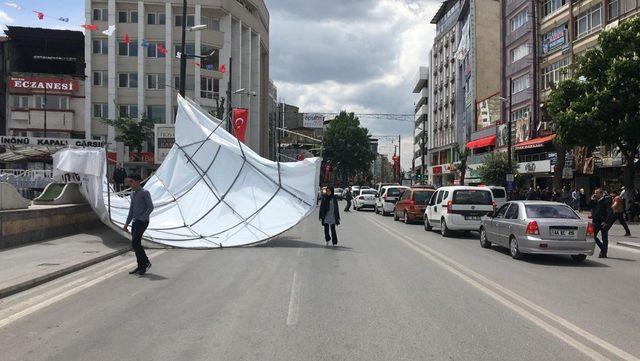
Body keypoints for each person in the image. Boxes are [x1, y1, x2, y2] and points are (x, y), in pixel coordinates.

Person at [123, 174, 154, 275]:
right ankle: (140, 266)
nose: (130, 184)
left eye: (131, 181)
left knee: (135, 243)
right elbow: (131, 210)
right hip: (135, 221)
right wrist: (126, 224)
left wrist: (143, 217)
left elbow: (151, 207)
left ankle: (145, 263)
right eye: (129, 182)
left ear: (137, 181)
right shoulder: (132, 194)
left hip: (143, 221)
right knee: (136, 244)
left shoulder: (145, 192)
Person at [591, 188, 613, 258]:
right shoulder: (595, 201)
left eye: (596, 193)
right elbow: (589, 206)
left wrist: (606, 222)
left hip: (603, 222)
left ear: (601, 194)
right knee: (592, 236)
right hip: (595, 222)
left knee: (604, 238)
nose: (595, 194)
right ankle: (603, 249)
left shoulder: (606, 201)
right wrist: (591, 200)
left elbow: (609, 212)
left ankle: (603, 253)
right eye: (595, 193)